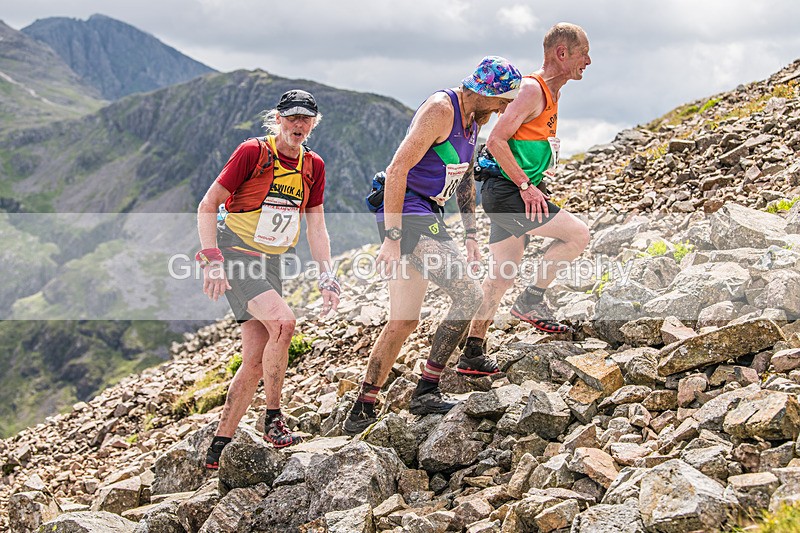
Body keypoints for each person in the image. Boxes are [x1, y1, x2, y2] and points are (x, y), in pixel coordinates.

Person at [343, 57, 522, 435]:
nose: (502, 110)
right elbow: (397, 169)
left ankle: (362, 407)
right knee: (469, 294)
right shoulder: (442, 109)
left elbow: (465, 178)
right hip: (406, 211)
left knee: (404, 320)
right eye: (501, 101)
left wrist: (471, 234)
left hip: (429, 212)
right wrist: (392, 239)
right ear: (484, 91)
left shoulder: (473, 120)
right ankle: (426, 390)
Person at [197, 89, 340, 469]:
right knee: (284, 323)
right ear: (278, 119)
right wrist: (212, 260)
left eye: (305, 118)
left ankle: (219, 446)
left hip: (271, 261)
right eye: (291, 117)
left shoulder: (313, 165)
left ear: (314, 123)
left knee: (255, 360)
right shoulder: (253, 153)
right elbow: (208, 204)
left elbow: (317, 226)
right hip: (236, 253)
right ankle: (273, 418)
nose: (298, 124)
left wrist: (327, 275)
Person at [463, 23, 592, 365]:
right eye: (583, 54)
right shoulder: (532, 90)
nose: (588, 61)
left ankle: (472, 351)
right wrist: (525, 185)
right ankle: (531, 301)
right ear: (562, 53)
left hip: (509, 191)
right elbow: (495, 140)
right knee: (578, 235)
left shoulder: (552, 93)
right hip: (509, 192)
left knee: (501, 276)